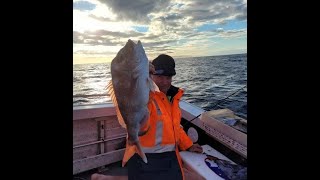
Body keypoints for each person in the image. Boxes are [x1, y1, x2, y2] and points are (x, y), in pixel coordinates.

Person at [92, 54, 203, 180]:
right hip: (145, 156)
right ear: (151, 75)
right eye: (159, 76)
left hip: (168, 156)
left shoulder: (172, 98)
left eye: (168, 77)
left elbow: (175, 126)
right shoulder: (146, 94)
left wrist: (188, 144)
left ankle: (103, 178)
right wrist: (139, 75)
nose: (164, 82)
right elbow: (127, 86)